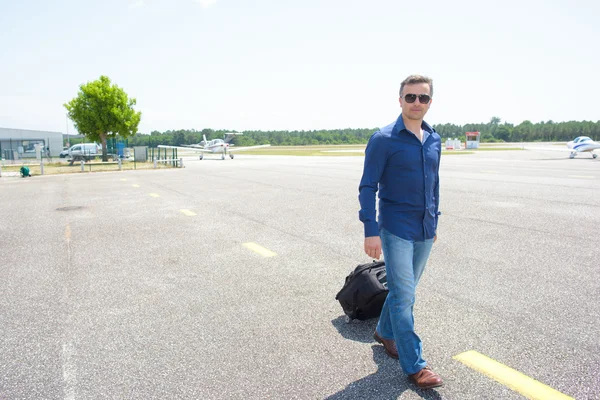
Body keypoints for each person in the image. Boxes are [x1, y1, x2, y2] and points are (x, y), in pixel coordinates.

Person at [358, 74, 442, 389]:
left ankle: (384, 332)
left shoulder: (434, 139)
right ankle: (416, 365)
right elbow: (367, 187)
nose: (417, 103)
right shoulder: (383, 139)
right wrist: (371, 229)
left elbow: (434, 184)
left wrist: (435, 220)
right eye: (411, 97)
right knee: (405, 296)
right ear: (400, 100)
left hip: (424, 228)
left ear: (430, 102)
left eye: (423, 98)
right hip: (394, 228)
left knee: (403, 291)